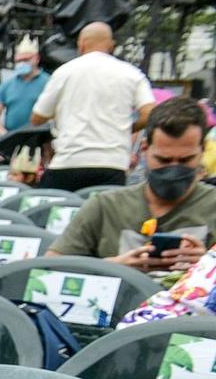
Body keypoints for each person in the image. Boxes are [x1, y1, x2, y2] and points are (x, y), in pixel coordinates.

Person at [48, 97, 213, 272]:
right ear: (144, 149)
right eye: (163, 160)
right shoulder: (106, 206)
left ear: (202, 151)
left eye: (185, 160)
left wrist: (207, 266)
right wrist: (113, 267)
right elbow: (50, 266)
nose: (173, 169)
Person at [31, 22, 155, 191]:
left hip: (68, 161)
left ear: (81, 44)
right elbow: (150, 114)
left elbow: (37, 118)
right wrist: (126, 129)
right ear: (111, 45)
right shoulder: (132, 74)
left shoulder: (64, 72)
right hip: (113, 164)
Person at [0, 35, 46, 138]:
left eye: (26, 59)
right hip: (12, 138)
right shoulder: (6, 85)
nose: (22, 63)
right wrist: (3, 134)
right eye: (19, 61)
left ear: (37, 59)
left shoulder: (49, 82)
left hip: (40, 139)